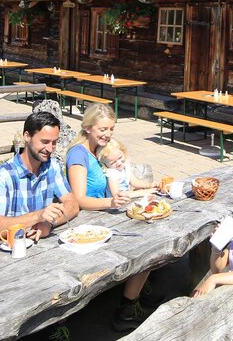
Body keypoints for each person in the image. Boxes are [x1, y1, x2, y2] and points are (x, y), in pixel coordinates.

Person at [64, 103, 156, 331]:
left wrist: (141, 191)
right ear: (87, 128)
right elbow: (79, 199)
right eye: (102, 129)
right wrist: (111, 202)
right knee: (146, 245)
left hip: (104, 216)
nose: (108, 134)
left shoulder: (97, 151)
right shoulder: (78, 155)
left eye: (111, 129)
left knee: (152, 236)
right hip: (85, 222)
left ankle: (137, 294)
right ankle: (126, 309)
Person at [0, 110, 80, 242]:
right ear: (27, 136)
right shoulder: (3, 176)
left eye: (54, 142)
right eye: (45, 141)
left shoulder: (52, 166)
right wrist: (38, 216)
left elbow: (73, 204)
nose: (50, 149)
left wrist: (49, 223)